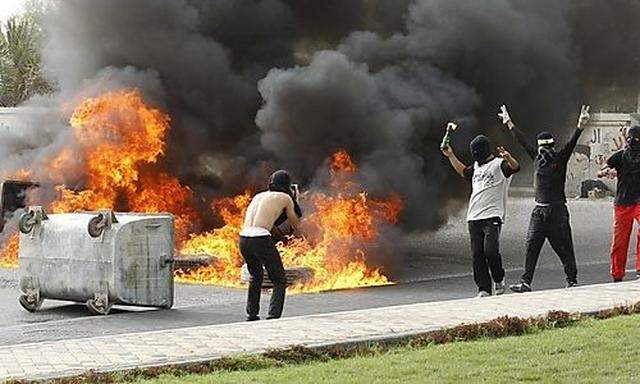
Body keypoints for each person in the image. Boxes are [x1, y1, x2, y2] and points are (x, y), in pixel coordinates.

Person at [498, 105, 590, 292]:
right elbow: (522, 141)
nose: (544, 151)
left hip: (557, 212)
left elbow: (572, 142)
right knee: (531, 245)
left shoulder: (560, 158)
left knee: (564, 247)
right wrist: (508, 122)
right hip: (539, 211)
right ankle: (526, 282)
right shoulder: (537, 158)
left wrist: (581, 124)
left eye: (545, 147)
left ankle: (572, 280)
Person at [442, 128, 520, 297]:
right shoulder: (476, 167)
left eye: (477, 152)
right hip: (474, 216)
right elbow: (463, 172)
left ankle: (498, 279)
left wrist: (508, 158)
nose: (475, 155)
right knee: (477, 255)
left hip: (493, 215)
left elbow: (515, 167)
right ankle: (484, 288)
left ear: (484, 150)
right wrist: (450, 156)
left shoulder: (499, 164)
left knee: (490, 251)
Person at [239, 170, 303, 321]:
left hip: (244, 238)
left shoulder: (259, 196)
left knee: (256, 276)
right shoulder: (285, 197)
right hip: (260, 238)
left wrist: (281, 238)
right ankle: (273, 316)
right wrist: (296, 201)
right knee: (279, 279)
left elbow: (269, 223)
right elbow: (295, 224)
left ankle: (252, 314)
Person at [597, 126, 640, 282]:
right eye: (631, 139)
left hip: (638, 201)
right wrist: (606, 171)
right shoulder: (620, 156)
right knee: (620, 242)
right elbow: (602, 169)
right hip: (623, 203)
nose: (633, 142)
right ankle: (617, 274)